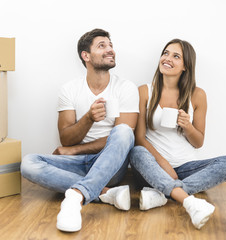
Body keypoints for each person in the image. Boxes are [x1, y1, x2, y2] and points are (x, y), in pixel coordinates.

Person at [21, 28, 139, 232]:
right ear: (86, 56)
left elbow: (123, 141)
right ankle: (104, 192)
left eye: (110, 45)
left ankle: (75, 196)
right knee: (29, 163)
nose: (110, 49)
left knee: (124, 132)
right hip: (78, 164)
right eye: (102, 46)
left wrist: (75, 150)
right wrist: (89, 118)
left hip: (110, 164)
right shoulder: (70, 89)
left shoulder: (126, 88)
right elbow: (66, 138)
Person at [129, 39, 226, 229]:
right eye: (165, 53)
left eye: (175, 56)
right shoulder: (144, 91)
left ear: (185, 66)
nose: (167, 58)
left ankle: (162, 194)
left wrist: (187, 126)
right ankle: (188, 201)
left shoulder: (198, 95)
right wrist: (163, 164)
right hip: (152, 167)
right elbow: (139, 139)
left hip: (185, 168)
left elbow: (198, 142)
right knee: (135, 153)